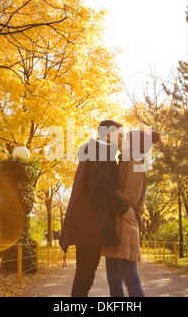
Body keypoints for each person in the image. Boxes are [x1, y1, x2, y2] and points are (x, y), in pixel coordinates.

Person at [59, 120, 130, 297]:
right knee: (84, 277)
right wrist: (123, 207)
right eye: (120, 135)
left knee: (84, 276)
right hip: (90, 225)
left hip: (86, 223)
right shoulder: (104, 150)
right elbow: (98, 186)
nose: (123, 139)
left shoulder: (96, 150)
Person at [101, 130, 161, 297]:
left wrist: (105, 193)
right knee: (113, 281)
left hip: (125, 227)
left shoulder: (136, 166)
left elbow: (131, 198)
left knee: (131, 281)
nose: (123, 142)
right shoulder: (124, 165)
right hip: (114, 226)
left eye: (126, 139)